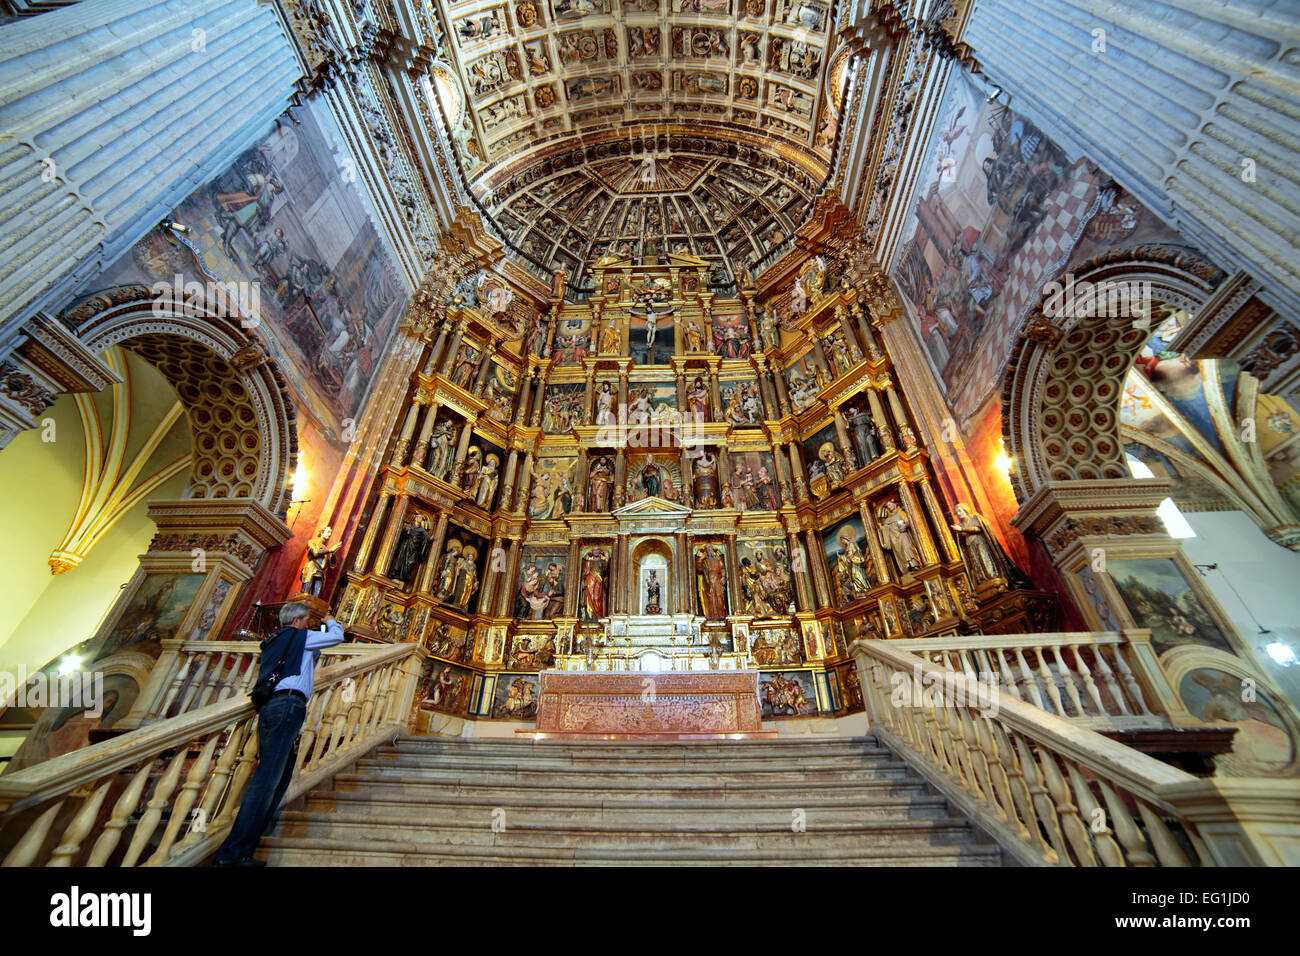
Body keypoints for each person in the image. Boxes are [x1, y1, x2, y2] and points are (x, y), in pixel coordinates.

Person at [214, 604, 345, 866]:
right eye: (307, 620)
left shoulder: (275, 640)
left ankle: (247, 846)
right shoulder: (299, 636)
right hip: (287, 706)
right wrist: (331, 620)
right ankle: (232, 854)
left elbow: (302, 662)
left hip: (273, 707)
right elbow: (337, 636)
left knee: (280, 777)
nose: (309, 624)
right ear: (297, 620)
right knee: (266, 781)